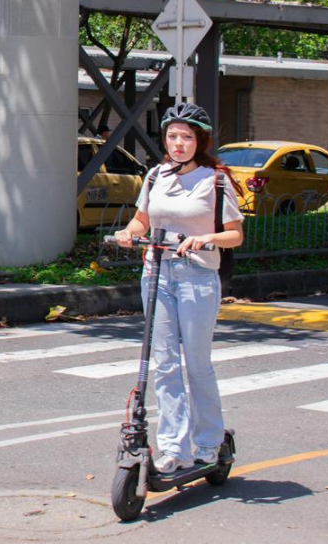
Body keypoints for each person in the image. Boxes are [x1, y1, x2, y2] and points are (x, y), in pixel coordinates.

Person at [114, 103, 244, 474]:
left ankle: (208, 443)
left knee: (197, 365)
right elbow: (142, 221)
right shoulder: (156, 176)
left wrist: (205, 238)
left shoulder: (214, 180)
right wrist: (127, 233)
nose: (178, 143)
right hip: (157, 274)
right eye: (172, 136)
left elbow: (235, 235)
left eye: (186, 137)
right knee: (165, 364)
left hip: (197, 278)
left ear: (199, 140)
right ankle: (174, 448)